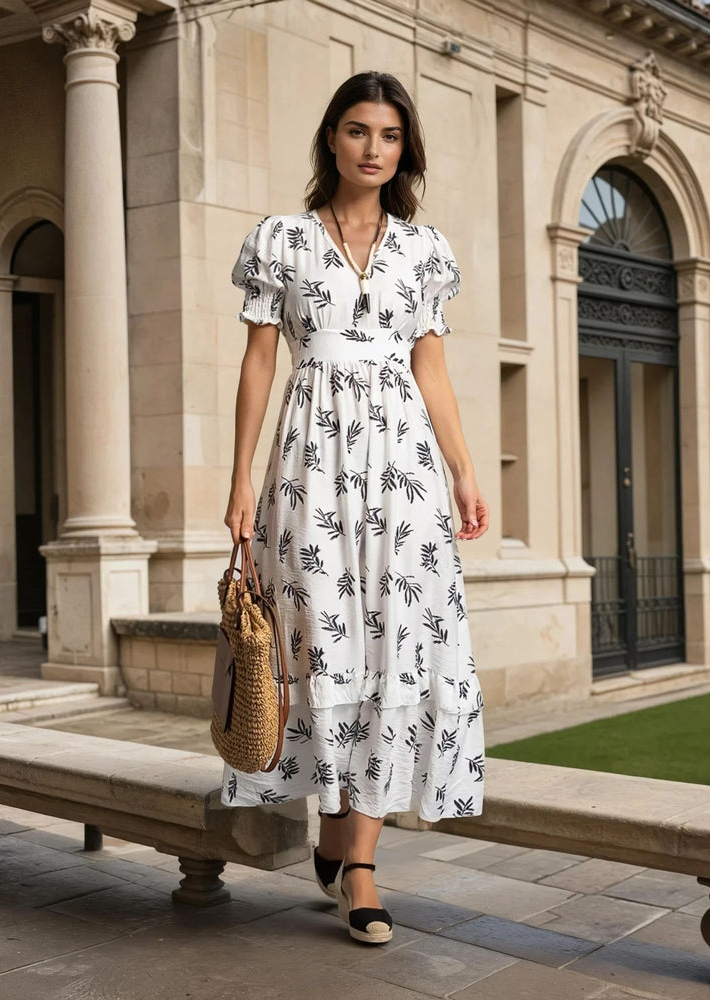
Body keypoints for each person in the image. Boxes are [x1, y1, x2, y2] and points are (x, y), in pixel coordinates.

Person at [223, 70, 488, 945]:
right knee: (325, 640)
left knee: (398, 642)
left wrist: (462, 469)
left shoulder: (425, 251)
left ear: (404, 149)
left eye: (389, 136)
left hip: (402, 468)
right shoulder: (282, 240)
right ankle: (336, 820)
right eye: (357, 131)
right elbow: (261, 364)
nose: (373, 149)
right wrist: (238, 484)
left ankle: (361, 861)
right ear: (330, 139)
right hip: (310, 465)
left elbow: (433, 369)